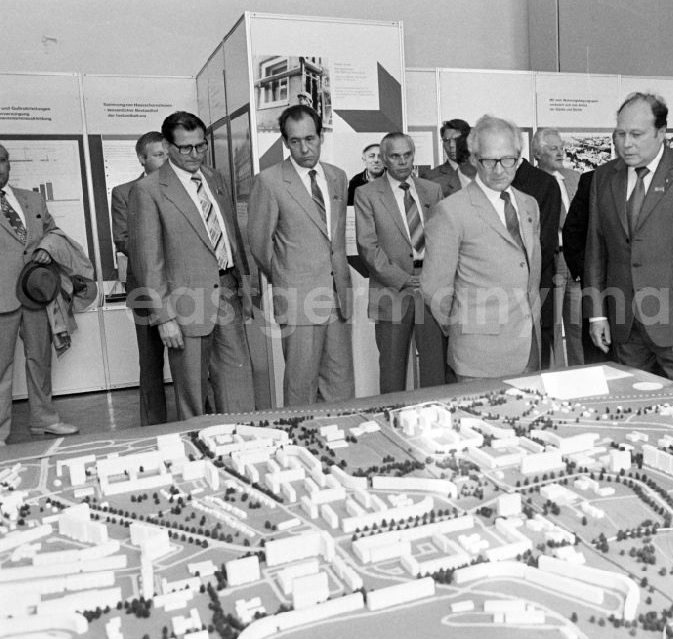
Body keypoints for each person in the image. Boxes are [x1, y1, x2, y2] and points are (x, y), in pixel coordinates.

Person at [584, 92, 673, 387]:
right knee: (633, 406)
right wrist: (597, 315)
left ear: (662, 133)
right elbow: (596, 251)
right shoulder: (603, 177)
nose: (626, 143)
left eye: (636, 134)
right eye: (620, 134)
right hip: (624, 323)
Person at [129, 111, 255, 420]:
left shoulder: (214, 178)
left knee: (238, 386)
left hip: (227, 294)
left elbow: (231, 236)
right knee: (194, 398)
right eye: (186, 147)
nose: (195, 154)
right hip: (184, 305)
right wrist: (163, 318)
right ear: (168, 146)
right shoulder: (149, 191)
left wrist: (247, 289)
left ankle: (241, 447)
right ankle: (198, 453)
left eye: (201, 146)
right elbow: (149, 260)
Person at [248, 104, 354, 406]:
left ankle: (338, 439)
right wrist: (286, 278)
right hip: (298, 298)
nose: (304, 148)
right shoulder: (269, 181)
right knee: (301, 383)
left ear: (321, 137)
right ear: (285, 142)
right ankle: (300, 441)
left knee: (340, 381)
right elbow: (259, 245)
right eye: (295, 141)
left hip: (337, 294)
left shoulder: (337, 177)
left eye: (310, 138)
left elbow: (334, 238)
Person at [421, 115, 541, 381]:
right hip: (478, 357)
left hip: (528, 349)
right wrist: (464, 328)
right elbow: (433, 287)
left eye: (508, 159)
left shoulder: (529, 205)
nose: (499, 169)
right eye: (489, 160)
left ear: (519, 158)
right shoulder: (451, 212)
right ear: (474, 159)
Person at [355, 132, 447, 393]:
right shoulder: (367, 194)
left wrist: (432, 276)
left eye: (407, 155)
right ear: (384, 159)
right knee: (393, 372)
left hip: (430, 289)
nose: (403, 162)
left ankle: (434, 422)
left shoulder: (432, 190)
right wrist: (403, 278)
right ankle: (392, 421)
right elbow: (367, 246)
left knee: (434, 370)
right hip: (392, 289)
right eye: (395, 156)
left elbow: (443, 239)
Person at [0, 143, 79, 442]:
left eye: (3, 161)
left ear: (9, 163)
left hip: (35, 292)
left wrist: (46, 248)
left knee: (40, 360)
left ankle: (44, 419)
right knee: (1, 367)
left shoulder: (32, 199)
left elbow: (53, 233)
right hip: (1, 298)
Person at [110, 131, 170, 426]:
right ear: (142, 159)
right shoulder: (124, 193)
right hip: (145, 289)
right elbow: (122, 240)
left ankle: (196, 422)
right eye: (159, 155)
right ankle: (154, 427)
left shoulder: (181, 188)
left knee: (194, 360)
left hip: (184, 286)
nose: (166, 159)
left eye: (167, 153)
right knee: (150, 361)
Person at [533, 128, 584, 366]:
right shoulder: (531, 185)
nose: (560, 152)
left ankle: (581, 376)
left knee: (577, 325)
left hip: (573, 264)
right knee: (551, 327)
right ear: (537, 153)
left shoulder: (574, 178)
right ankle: (556, 378)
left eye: (561, 147)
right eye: (553, 149)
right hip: (549, 264)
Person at [513, 135, 562, 369]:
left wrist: (522, 276)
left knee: (538, 344)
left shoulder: (543, 183)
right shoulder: (486, 183)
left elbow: (546, 241)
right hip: (496, 289)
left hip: (536, 280)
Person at [562, 170, 611, 365]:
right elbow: (572, 230)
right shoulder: (594, 179)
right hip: (602, 293)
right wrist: (587, 274)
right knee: (602, 364)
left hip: (656, 300)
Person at [422, 119, 470, 184]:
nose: (451, 145)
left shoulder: (482, 173)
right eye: (446, 140)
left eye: (456, 139)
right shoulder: (430, 178)